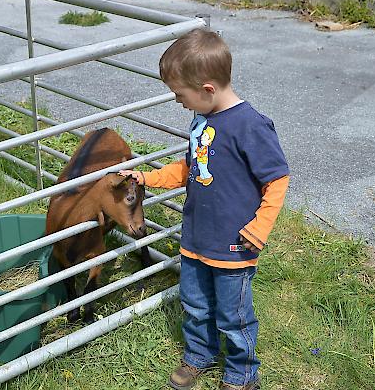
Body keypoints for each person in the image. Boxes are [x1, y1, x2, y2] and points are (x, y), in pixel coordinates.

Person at [120, 28, 289, 390]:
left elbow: (277, 179)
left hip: (234, 242)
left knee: (234, 314)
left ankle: (242, 373)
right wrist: (148, 177)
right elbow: (190, 168)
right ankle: (200, 354)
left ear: (207, 89)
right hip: (196, 235)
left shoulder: (250, 126)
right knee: (195, 303)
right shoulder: (202, 119)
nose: (178, 102)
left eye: (180, 95)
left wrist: (260, 228)